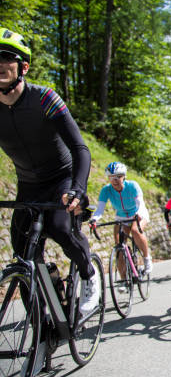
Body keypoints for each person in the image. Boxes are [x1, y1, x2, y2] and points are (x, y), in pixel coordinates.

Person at [0, 27, 100, 316]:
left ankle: (89, 275)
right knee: (23, 254)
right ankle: (44, 326)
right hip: (28, 185)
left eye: (8, 57)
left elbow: (80, 148)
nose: (1, 63)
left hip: (61, 179)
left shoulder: (44, 99)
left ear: (24, 67)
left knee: (60, 227)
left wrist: (78, 190)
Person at [90, 162, 153, 274]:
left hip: (137, 213)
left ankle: (147, 259)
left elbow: (140, 204)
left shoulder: (132, 185)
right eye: (112, 177)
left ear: (124, 176)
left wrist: (138, 214)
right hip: (121, 217)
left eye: (118, 176)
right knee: (119, 246)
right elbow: (99, 209)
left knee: (135, 231)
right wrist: (94, 219)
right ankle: (124, 280)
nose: (115, 180)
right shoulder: (106, 190)